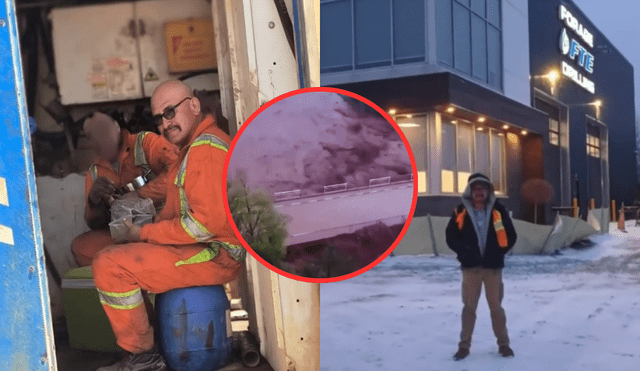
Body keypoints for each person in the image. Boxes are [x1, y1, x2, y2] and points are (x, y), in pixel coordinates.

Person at [94, 80, 245, 371]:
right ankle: (150, 349)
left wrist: (144, 232)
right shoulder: (193, 149)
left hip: (215, 254)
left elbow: (203, 225)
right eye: (159, 117)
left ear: (194, 105)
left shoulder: (205, 149)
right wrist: (143, 231)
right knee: (119, 253)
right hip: (204, 247)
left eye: (170, 112)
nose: (165, 123)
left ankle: (145, 359)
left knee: (110, 265)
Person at [70, 112, 178, 267]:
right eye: (94, 135)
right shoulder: (94, 172)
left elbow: (179, 171)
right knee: (81, 247)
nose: (101, 139)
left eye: (104, 131)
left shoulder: (145, 143)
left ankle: (140, 263)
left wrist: (141, 194)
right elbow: (95, 224)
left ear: (117, 127)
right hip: (124, 236)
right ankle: (131, 270)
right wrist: (94, 201)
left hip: (161, 225)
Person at [445, 173, 517, 361]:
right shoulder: (460, 211)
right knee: (469, 308)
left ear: (488, 191)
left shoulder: (498, 211)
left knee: (496, 308)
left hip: (493, 269)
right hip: (471, 269)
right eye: (476, 188)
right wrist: (464, 253)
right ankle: (464, 347)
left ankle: (504, 345)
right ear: (470, 190)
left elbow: (511, 236)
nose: (479, 192)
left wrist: (499, 252)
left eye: (483, 188)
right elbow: (450, 237)